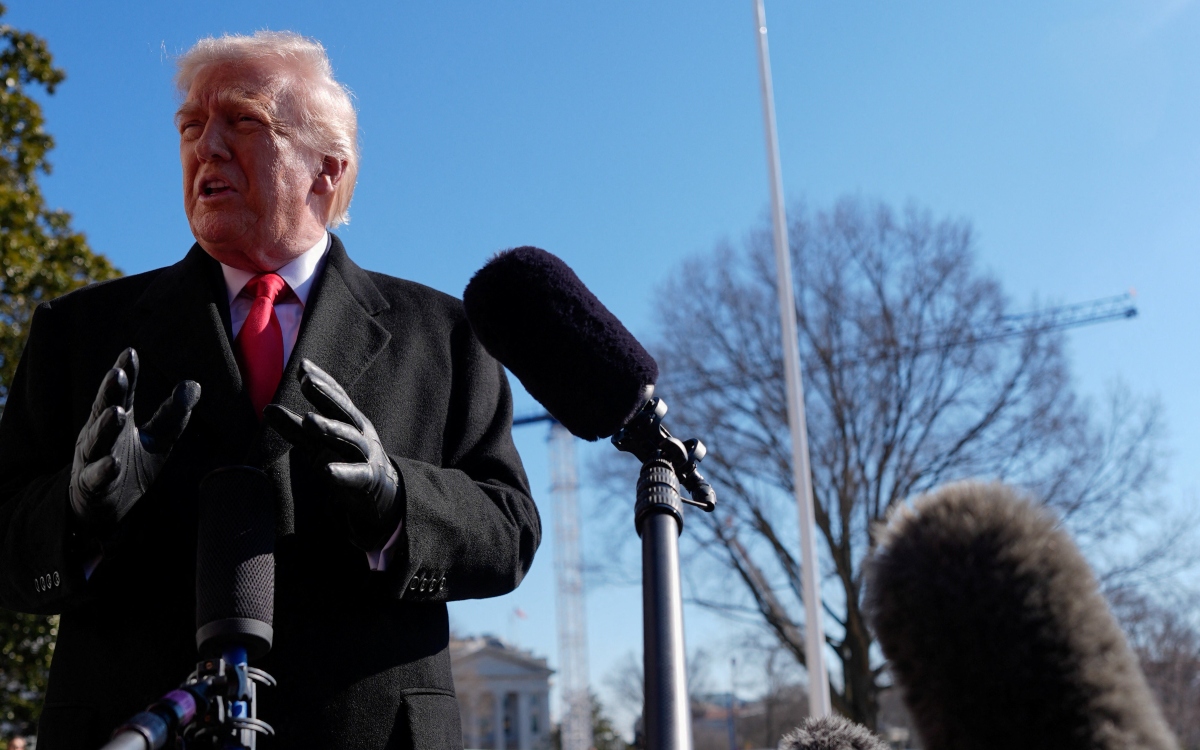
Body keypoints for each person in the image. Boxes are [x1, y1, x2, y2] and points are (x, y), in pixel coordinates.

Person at [0, 31, 539, 749]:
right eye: (191, 126)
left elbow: (509, 531)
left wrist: (397, 502)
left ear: (327, 168)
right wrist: (77, 513)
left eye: (244, 121)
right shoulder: (77, 331)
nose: (207, 147)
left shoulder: (446, 334)